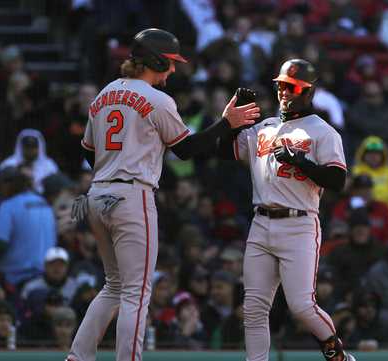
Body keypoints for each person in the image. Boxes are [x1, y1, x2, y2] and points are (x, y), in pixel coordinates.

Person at [66, 28, 259, 361]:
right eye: (169, 63)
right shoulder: (157, 99)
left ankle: (78, 357)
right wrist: (226, 122)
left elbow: (88, 152)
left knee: (114, 285)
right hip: (132, 195)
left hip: (97, 194)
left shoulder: (104, 94)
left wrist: (122, 156)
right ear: (154, 59)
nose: (173, 70)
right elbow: (186, 150)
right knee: (136, 293)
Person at [216, 58, 354, 361]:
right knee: (253, 306)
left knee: (302, 307)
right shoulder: (265, 126)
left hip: (299, 224)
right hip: (261, 222)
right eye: (280, 86)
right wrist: (231, 121)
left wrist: (300, 161)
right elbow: (224, 151)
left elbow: (338, 180)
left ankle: (339, 357)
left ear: (308, 92)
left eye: (291, 87)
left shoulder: (323, 131)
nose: (284, 92)